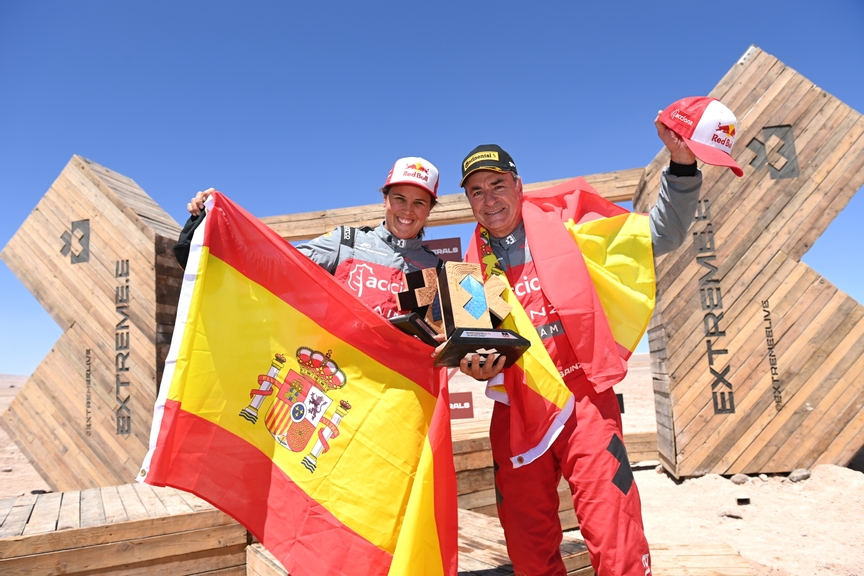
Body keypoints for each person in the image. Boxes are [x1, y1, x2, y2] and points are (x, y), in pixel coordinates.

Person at [451, 98, 743, 576]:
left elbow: (662, 236)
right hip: (516, 407)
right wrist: (474, 364)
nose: (489, 199)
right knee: (527, 544)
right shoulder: (468, 271)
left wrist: (684, 163)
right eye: (476, 191)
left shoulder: (571, 226)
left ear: (518, 185)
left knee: (614, 532)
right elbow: (477, 343)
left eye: (497, 185)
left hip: (585, 400)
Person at [175, 157, 444, 319]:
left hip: (403, 394)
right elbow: (276, 266)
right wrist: (213, 224)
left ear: (430, 209)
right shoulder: (346, 242)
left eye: (419, 202)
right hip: (345, 387)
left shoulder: (437, 270)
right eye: (399, 198)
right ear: (384, 198)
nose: (408, 210)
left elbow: (447, 335)